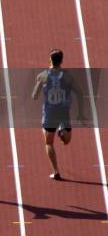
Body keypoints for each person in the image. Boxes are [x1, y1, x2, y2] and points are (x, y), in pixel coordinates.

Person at [32, 49, 84, 180]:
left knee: (49, 143)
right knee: (67, 141)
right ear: (61, 60)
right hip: (63, 112)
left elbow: (34, 96)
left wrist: (40, 84)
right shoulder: (67, 76)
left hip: (49, 113)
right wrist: (81, 112)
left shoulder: (43, 75)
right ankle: (61, 131)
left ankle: (56, 171)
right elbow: (80, 93)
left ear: (50, 59)